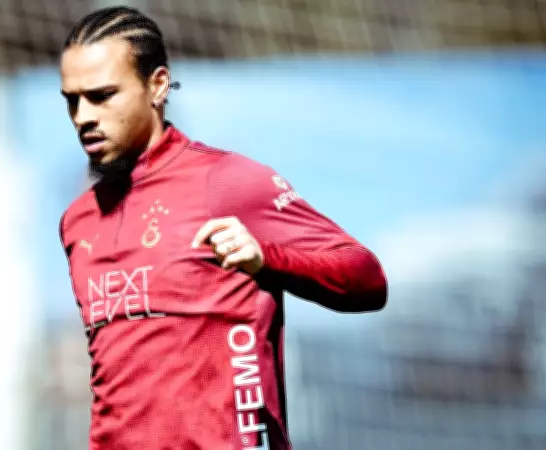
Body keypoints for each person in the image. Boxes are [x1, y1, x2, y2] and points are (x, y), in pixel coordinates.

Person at [58, 6, 387, 449]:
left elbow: (368, 279)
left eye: (102, 96)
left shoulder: (227, 182)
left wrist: (268, 259)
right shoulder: (78, 221)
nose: (83, 116)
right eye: (72, 100)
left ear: (157, 86)